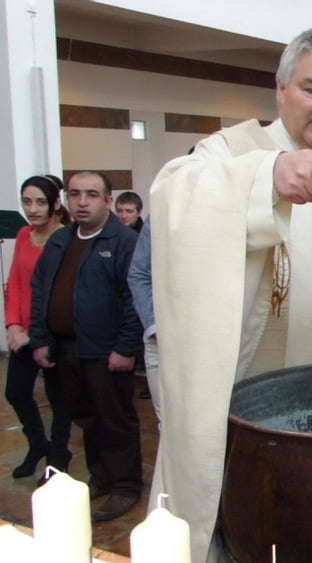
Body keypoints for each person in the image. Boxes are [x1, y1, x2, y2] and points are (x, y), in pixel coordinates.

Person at [147, 28, 312, 562]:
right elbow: (171, 192)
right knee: (234, 524)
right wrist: (265, 176)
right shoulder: (232, 152)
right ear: (281, 88)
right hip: (237, 399)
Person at [30, 171, 143, 521]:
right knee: (87, 418)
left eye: (91, 194)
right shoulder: (60, 239)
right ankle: (102, 476)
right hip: (66, 348)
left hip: (106, 350)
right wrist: (40, 338)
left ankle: (125, 485)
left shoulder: (123, 241)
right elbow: (40, 289)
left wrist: (126, 347)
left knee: (115, 419)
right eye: (75, 194)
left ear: (108, 200)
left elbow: (134, 297)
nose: (82, 202)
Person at [4, 175, 72, 481]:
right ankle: (37, 444)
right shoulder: (23, 234)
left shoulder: (66, 238)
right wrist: (13, 324)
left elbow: (61, 293)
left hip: (52, 332)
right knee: (16, 392)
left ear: (56, 204)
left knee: (59, 399)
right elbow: (16, 282)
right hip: (22, 333)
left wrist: (35, 333)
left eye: (40, 202)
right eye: (27, 201)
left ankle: (58, 455)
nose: (32, 209)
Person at [127, 217, 160, 423]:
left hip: (220, 340)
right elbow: (139, 274)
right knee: (170, 424)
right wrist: (153, 326)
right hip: (163, 339)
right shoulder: (160, 213)